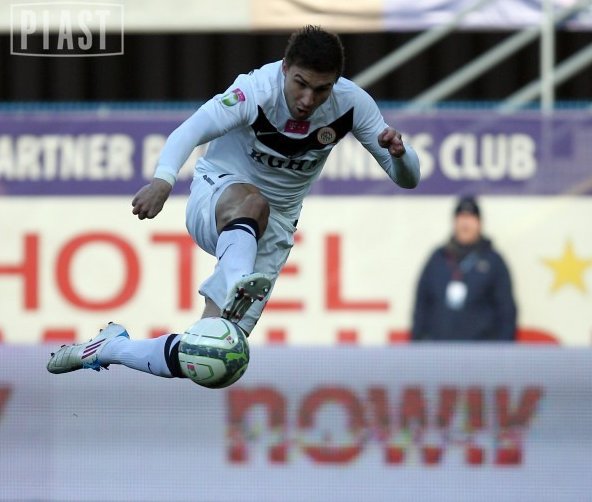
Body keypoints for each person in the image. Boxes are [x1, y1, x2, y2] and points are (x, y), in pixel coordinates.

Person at [47, 25, 420, 379]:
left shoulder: (352, 104)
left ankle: (109, 348)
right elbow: (191, 129)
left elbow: (408, 179)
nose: (308, 100)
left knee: (211, 357)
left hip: (274, 228)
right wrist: (163, 179)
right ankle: (240, 279)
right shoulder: (255, 91)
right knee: (254, 203)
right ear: (285, 68)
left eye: (321, 90)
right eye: (300, 84)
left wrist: (400, 155)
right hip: (218, 195)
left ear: (335, 83)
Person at [411, 196, 516, 341]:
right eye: (461, 217)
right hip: (440, 349)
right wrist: (417, 342)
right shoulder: (438, 258)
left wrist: (502, 350)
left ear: (479, 223)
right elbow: (421, 305)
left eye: (471, 218)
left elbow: (506, 311)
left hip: (481, 350)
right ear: (454, 222)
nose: (465, 223)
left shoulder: (493, 262)